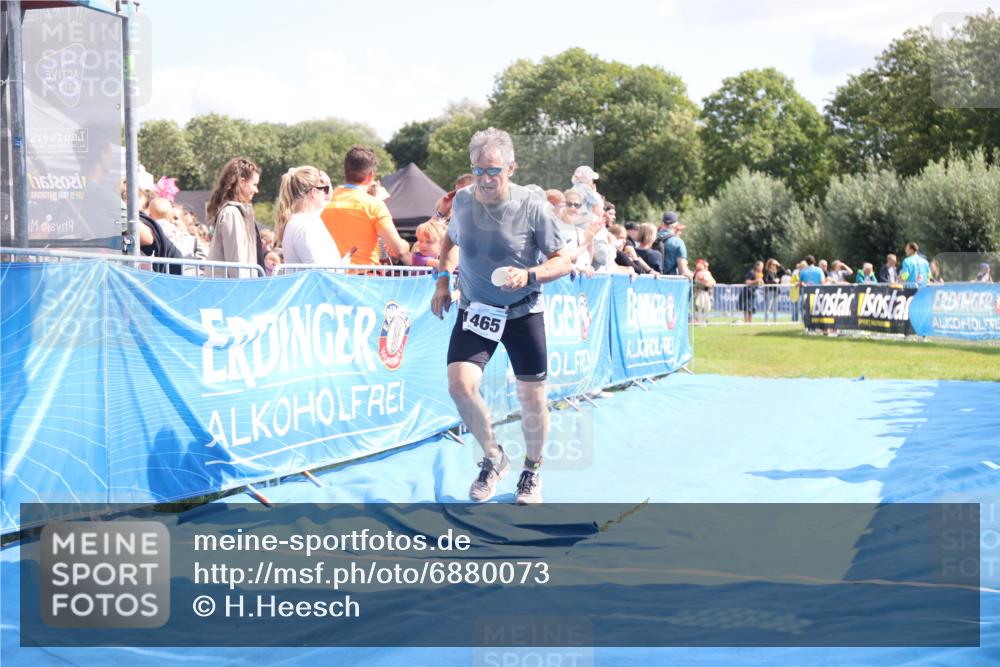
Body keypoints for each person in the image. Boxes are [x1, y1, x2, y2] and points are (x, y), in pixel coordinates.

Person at [430, 127, 571, 505]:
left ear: (511, 168)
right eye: (478, 171)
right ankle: (494, 458)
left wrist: (528, 275)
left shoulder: (533, 206)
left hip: (523, 311)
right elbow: (449, 243)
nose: (485, 179)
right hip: (475, 308)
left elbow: (563, 261)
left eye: (494, 171)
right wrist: (443, 281)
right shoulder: (461, 202)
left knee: (532, 399)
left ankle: (532, 471)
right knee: (459, 387)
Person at [321, 146, 410, 266]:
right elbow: (399, 250)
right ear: (371, 175)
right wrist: (405, 244)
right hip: (366, 279)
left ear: (345, 171)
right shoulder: (374, 205)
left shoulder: (325, 202)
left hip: (332, 277)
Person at [207, 157, 265, 278]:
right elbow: (236, 261)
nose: (256, 190)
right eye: (254, 184)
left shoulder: (236, 213)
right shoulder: (231, 214)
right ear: (242, 182)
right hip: (233, 290)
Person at [275, 166, 343, 266]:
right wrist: (341, 267)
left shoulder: (305, 221)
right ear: (314, 192)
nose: (326, 193)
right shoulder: (303, 226)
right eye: (324, 189)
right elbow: (318, 270)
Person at [659, 212, 692, 278]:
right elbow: (683, 271)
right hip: (670, 282)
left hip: (652, 281)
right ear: (675, 225)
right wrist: (691, 275)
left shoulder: (652, 237)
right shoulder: (678, 242)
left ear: (663, 224)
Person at [693, 258, 716, 323]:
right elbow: (698, 282)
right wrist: (706, 284)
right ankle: (698, 320)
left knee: (708, 306)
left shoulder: (708, 273)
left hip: (706, 293)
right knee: (700, 306)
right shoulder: (697, 273)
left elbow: (713, 282)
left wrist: (710, 284)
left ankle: (704, 320)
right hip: (700, 292)